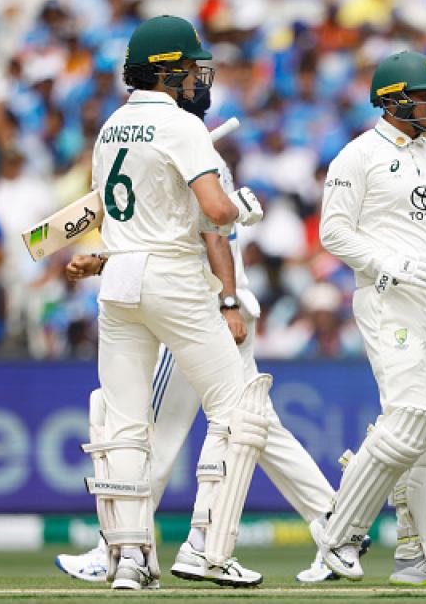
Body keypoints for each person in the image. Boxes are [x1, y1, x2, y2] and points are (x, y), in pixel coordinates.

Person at [56, 85, 344, 586]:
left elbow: (199, 235)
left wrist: (226, 299)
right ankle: (336, 527)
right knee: (251, 423)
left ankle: (127, 551)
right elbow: (179, 230)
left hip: (196, 302)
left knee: (154, 429)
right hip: (184, 295)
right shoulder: (184, 141)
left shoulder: (136, 135)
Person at [81, 15, 266, 590]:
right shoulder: (182, 125)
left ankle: (128, 560)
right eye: (189, 68)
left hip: (119, 282)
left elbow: (112, 211)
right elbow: (214, 208)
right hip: (174, 278)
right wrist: (244, 207)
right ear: (166, 71)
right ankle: (206, 547)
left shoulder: (111, 126)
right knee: (239, 410)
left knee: (125, 426)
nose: (195, 78)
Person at [312, 50, 426, 586]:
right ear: (393, 100)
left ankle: (420, 556)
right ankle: (338, 538)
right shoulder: (357, 155)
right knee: (407, 418)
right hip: (389, 299)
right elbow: (333, 232)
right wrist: (394, 262)